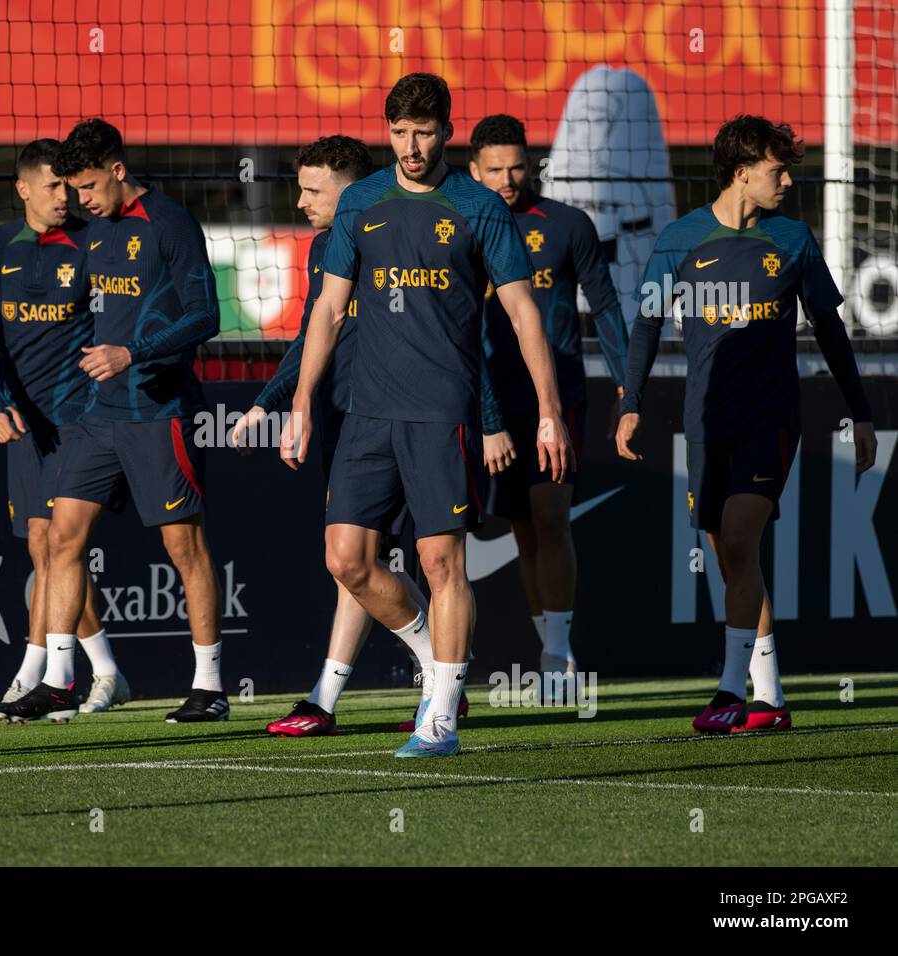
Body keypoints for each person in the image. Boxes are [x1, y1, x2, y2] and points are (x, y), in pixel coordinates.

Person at [284, 74, 572, 758]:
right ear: (388, 133)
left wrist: (549, 412)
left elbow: (524, 312)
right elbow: (326, 310)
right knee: (347, 561)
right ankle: (432, 653)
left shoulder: (479, 207)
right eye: (400, 133)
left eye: (425, 132)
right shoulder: (361, 202)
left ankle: (439, 717)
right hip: (365, 413)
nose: (412, 147)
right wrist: (299, 402)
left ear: (446, 131)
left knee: (442, 562)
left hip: (444, 412)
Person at [618, 114, 877, 734]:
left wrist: (860, 411)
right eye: (776, 169)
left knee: (737, 539)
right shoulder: (679, 239)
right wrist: (631, 402)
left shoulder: (792, 238)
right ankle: (771, 698)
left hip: (771, 418)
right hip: (706, 420)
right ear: (741, 172)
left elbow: (832, 330)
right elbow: (648, 323)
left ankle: (730, 691)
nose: (786, 180)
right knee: (731, 555)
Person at [230, 136, 442, 737]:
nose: (299, 202)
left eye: (312, 190)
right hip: (348, 421)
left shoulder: (411, 229)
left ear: (350, 191)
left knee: (435, 559)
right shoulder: (326, 246)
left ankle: (430, 680)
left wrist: (491, 416)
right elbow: (311, 335)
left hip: (418, 417)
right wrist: (270, 403)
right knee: (352, 561)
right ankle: (379, 684)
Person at [33, 119, 227, 723]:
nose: (79, 199)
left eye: (88, 186)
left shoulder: (169, 224)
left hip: (159, 410)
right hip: (100, 415)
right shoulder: (93, 232)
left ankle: (210, 686)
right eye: (72, 187)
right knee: (61, 537)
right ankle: (60, 679)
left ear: (119, 170)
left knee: (183, 548)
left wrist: (132, 354)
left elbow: (207, 316)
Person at [468, 113, 629, 687]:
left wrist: (626, 388)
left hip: (555, 398)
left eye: (516, 167)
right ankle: (548, 651)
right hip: (484, 401)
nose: (507, 179)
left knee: (550, 516)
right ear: (473, 169)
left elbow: (606, 307)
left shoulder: (566, 224)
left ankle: (559, 655)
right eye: (495, 170)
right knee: (522, 529)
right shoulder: (457, 223)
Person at [0, 140, 128, 724]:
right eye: (52, 187)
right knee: (46, 550)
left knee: (54, 545)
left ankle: (35, 672)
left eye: (70, 186)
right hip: (25, 422)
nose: (65, 197)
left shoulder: (92, 240)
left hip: (81, 419)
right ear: (23, 189)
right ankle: (107, 672)